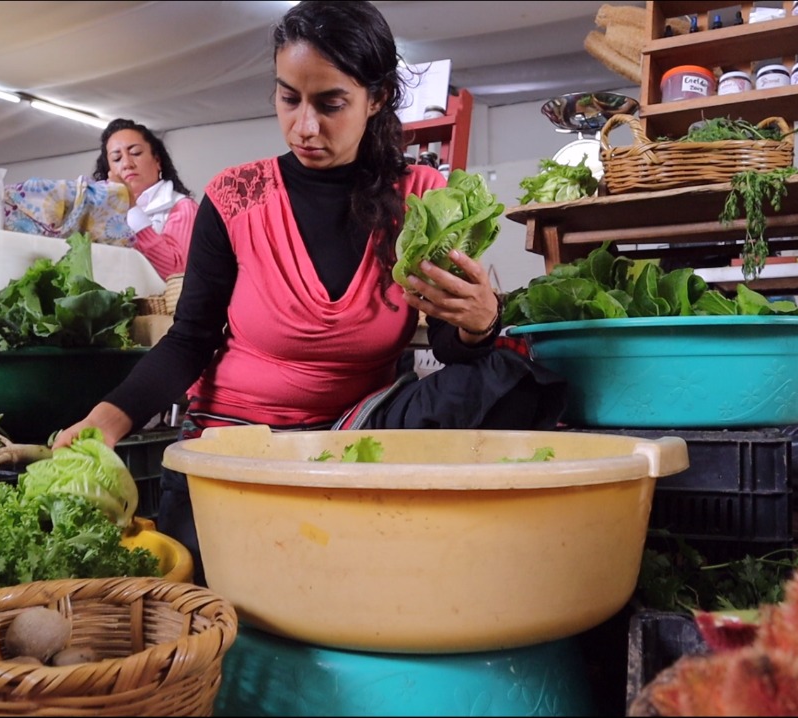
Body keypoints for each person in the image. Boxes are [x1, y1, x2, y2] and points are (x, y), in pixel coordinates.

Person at [56, 0, 565, 583]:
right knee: (211, 585)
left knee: (514, 380)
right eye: (288, 98)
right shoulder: (236, 196)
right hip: (242, 437)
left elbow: (451, 346)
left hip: (356, 429)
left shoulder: (420, 194)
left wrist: (479, 322)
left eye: (331, 103)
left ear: (374, 99)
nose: (305, 125)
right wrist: (106, 423)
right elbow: (190, 338)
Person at [93, 118, 198, 280]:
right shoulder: (101, 214)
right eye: (116, 158)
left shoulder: (182, 207)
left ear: (157, 161)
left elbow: (177, 272)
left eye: (135, 153)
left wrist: (132, 208)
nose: (127, 163)